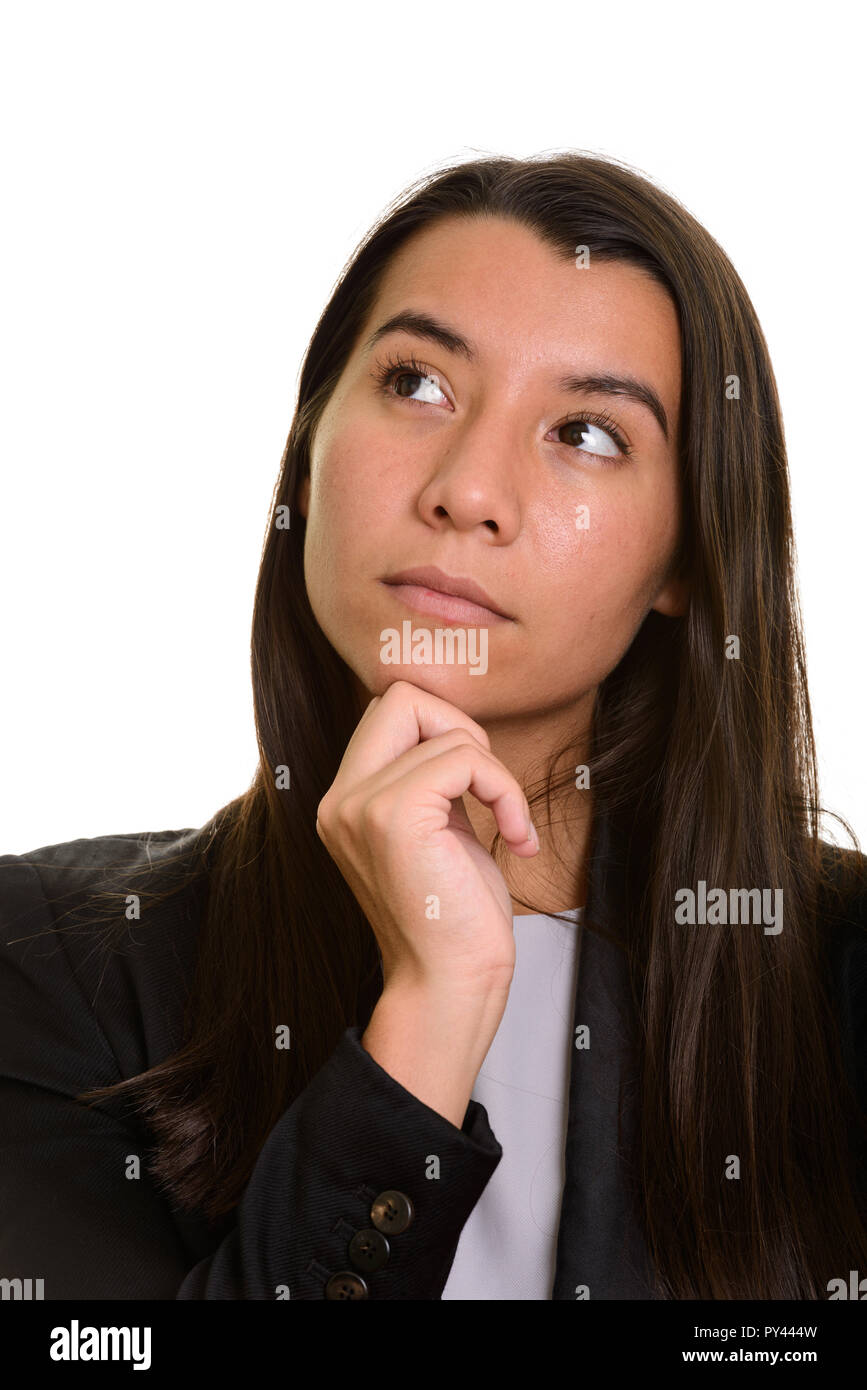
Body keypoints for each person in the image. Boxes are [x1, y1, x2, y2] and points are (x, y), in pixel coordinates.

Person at [1, 152, 865, 1301]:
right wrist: (430, 1008)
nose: (467, 487)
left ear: (687, 559)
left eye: (590, 433)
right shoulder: (55, 958)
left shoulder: (841, 977)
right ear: (307, 447)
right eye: (417, 383)